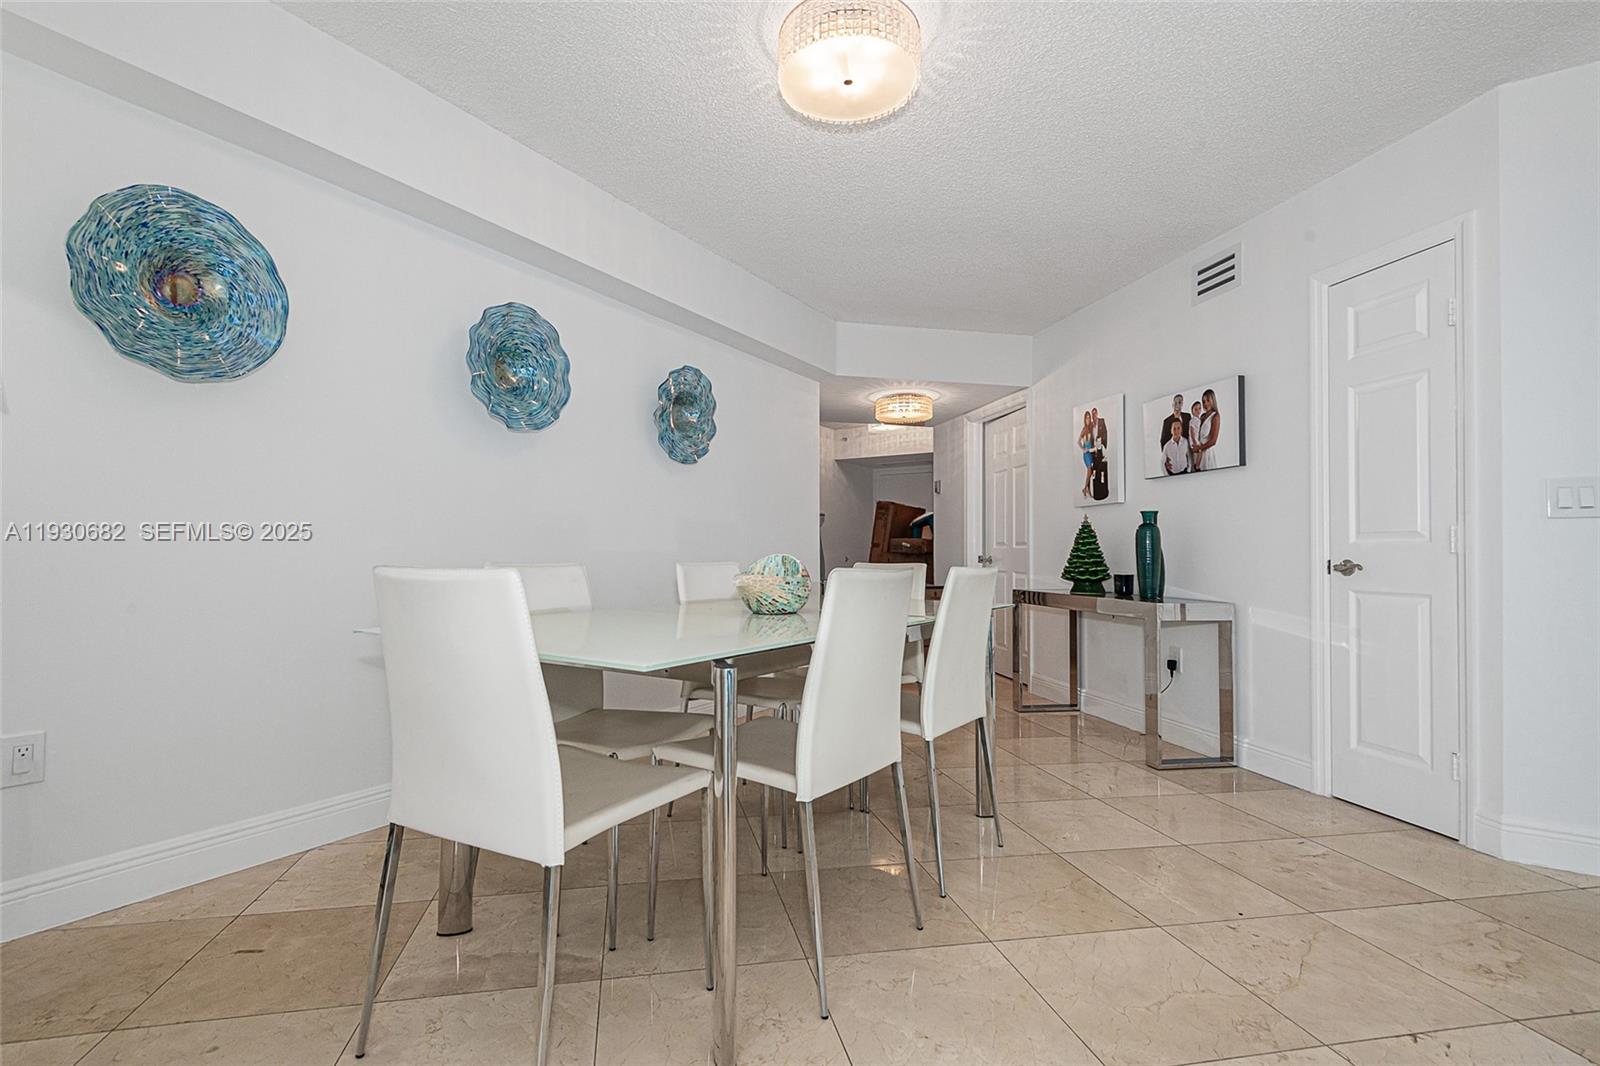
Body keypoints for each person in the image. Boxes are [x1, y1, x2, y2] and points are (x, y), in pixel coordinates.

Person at [1193, 388, 1222, 470]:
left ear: (1213, 400)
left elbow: (1213, 441)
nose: (1205, 404)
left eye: (1208, 400)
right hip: (1197, 454)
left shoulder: (1215, 416)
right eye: (1204, 401)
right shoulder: (1201, 416)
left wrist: (1199, 448)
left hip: (1206, 454)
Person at [1078, 410, 1095, 497]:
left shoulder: (1091, 427)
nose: (1088, 419)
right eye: (1086, 418)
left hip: (1091, 452)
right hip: (1086, 454)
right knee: (1089, 470)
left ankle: (1088, 490)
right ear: (1084, 419)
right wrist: (1083, 449)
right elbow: (1078, 441)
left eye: (1089, 418)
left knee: (1090, 471)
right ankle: (1085, 488)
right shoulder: (1084, 429)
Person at [1187, 400, 1204, 470]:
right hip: (1193, 439)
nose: (1198, 411)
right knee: (1200, 451)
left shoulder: (1198, 419)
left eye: (1199, 408)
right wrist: (1194, 440)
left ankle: (1196, 464)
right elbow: (1191, 431)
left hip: (1195, 438)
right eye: (1195, 409)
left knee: (1198, 452)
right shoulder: (1193, 420)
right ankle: (1196, 465)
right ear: (1192, 411)